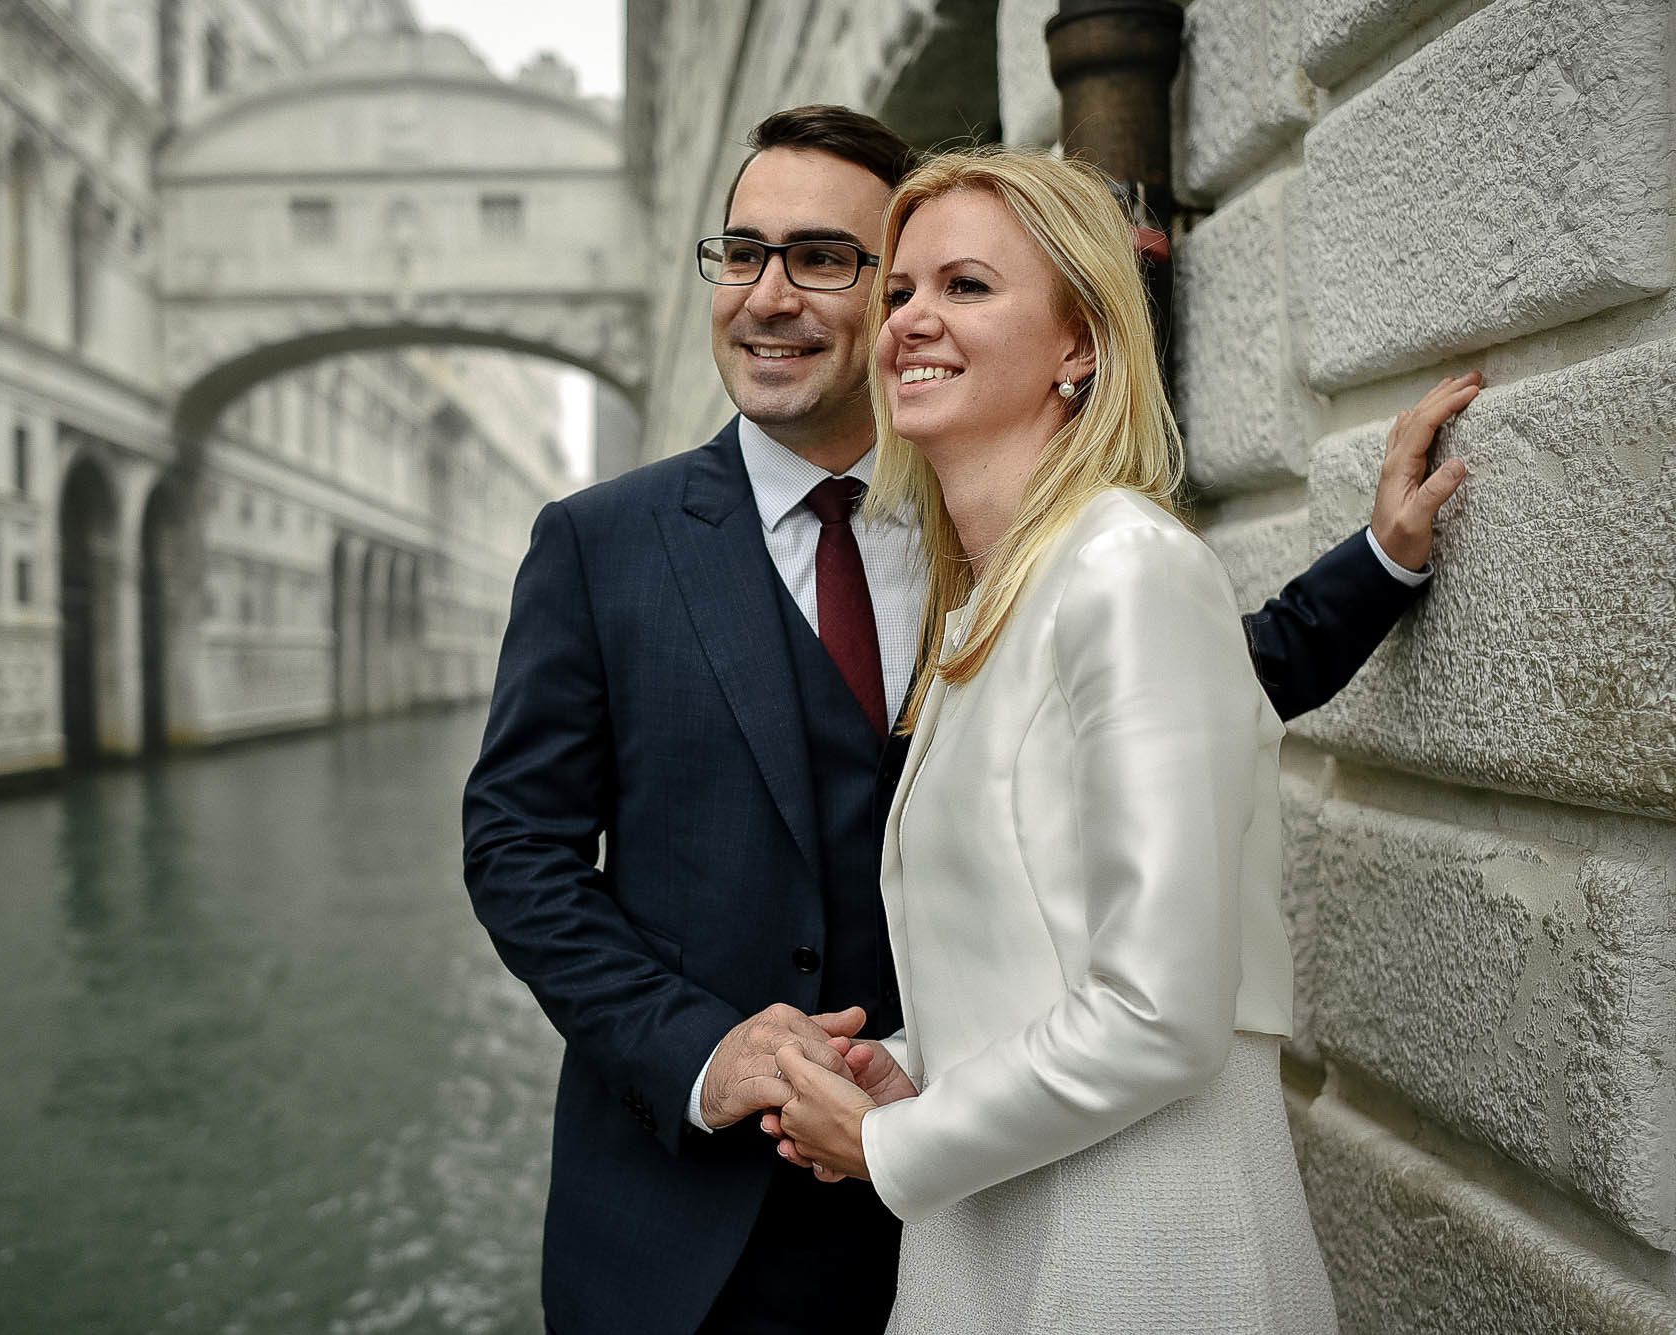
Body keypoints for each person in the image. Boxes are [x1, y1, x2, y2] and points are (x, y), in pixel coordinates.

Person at [463, 106, 1471, 1335]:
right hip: (689, 1235)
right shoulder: (596, 543)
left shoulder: (1000, 540)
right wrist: (699, 1052)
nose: (769, 295)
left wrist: (1376, 567)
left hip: (978, 1195)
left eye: (827, 259)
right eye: (742, 252)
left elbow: (1180, 696)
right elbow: (517, 851)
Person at [768, 149, 1477, 1331]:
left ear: (1079, 347)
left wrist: (892, 1142)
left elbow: (1159, 1011)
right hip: (993, 1226)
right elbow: (1029, 961)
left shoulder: (1124, 569)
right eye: (898, 292)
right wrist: (911, 1064)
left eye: (965, 287)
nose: (909, 321)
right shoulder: (990, 601)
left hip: (1135, 1240)